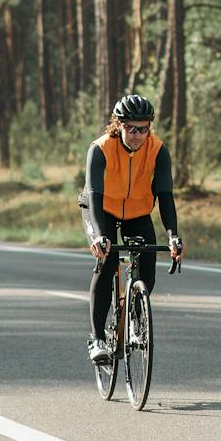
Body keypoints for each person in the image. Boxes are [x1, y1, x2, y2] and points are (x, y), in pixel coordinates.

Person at [80, 94, 184, 362]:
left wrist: (173, 236)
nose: (137, 135)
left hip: (137, 211)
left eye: (143, 128)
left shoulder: (158, 150)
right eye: (130, 128)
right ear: (118, 125)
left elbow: (165, 195)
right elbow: (93, 191)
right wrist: (100, 236)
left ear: (150, 127)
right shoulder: (100, 148)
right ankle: (98, 338)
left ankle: (135, 322)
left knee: (147, 266)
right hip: (100, 208)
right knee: (108, 259)